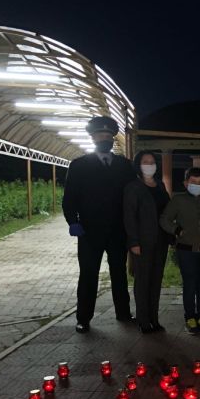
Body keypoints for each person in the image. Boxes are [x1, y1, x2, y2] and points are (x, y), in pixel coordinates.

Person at [62, 116, 136, 333]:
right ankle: (83, 318)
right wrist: (72, 221)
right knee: (88, 274)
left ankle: (123, 313)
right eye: (100, 135)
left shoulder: (125, 165)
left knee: (119, 273)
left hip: (117, 230)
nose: (104, 139)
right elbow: (70, 198)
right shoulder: (79, 165)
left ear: (113, 139)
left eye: (108, 136)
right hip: (89, 231)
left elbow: (132, 197)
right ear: (92, 138)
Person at [160, 167, 200, 335]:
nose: (197, 185)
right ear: (185, 183)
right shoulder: (178, 200)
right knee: (189, 284)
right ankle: (190, 317)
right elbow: (165, 219)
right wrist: (177, 230)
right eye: (193, 182)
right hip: (186, 250)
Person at [123, 151, 171, 333]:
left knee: (156, 280)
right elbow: (129, 217)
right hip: (142, 242)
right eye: (145, 162)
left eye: (152, 162)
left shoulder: (160, 185)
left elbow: (168, 211)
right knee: (142, 281)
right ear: (138, 164)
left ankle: (154, 319)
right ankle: (143, 321)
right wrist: (133, 242)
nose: (149, 165)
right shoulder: (133, 187)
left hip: (161, 241)